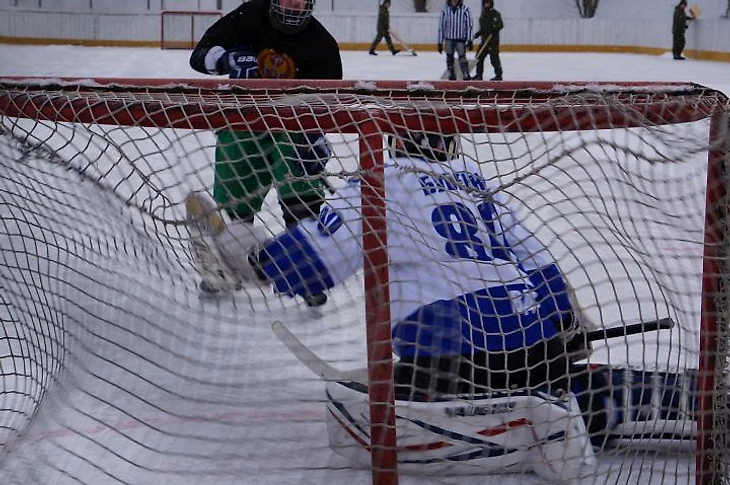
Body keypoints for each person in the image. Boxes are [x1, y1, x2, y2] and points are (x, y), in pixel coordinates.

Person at [185, 131, 701, 479]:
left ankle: (535, 413)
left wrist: (250, 254)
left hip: (458, 357)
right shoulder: (475, 181)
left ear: (391, 136)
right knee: (552, 370)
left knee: (369, 398)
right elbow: (543, 267)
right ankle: (589, 394)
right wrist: (568, 324)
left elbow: (308, 268)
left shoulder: (377, 180)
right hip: (540, 339)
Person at [188, 0, 342, 306]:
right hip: (243, 118)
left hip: (293, 124)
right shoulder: (248, 16)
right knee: (234, 194)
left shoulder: (321, 44)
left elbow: (330, 99)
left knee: (301, 194)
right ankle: (227, 264)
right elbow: (199, 56)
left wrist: (316, 136)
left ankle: (304, 269)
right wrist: (227, 60)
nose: (293, 5)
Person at [437, 0, 473, 80]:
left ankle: (465, 73)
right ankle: (451, 73)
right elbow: (441, 27)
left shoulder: (465, 9)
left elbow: (469, 26)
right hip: (449, 38)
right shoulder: (445, 10)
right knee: (449, 57)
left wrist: (470, 39)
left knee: (462, 57)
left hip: (460, 38)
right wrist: (440, 42)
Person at [473, 0, 504, 81]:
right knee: (478, 57)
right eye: (486, 3)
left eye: (489, 3)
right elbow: (483, 28)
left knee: (494, 59)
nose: (487, 4)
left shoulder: (495, 14)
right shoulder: (483, 14)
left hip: (492, 41)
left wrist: (495, 29)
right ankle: (478, 75)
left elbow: (500, 25)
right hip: (484, 41)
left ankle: (498, 75)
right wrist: (478, 34)